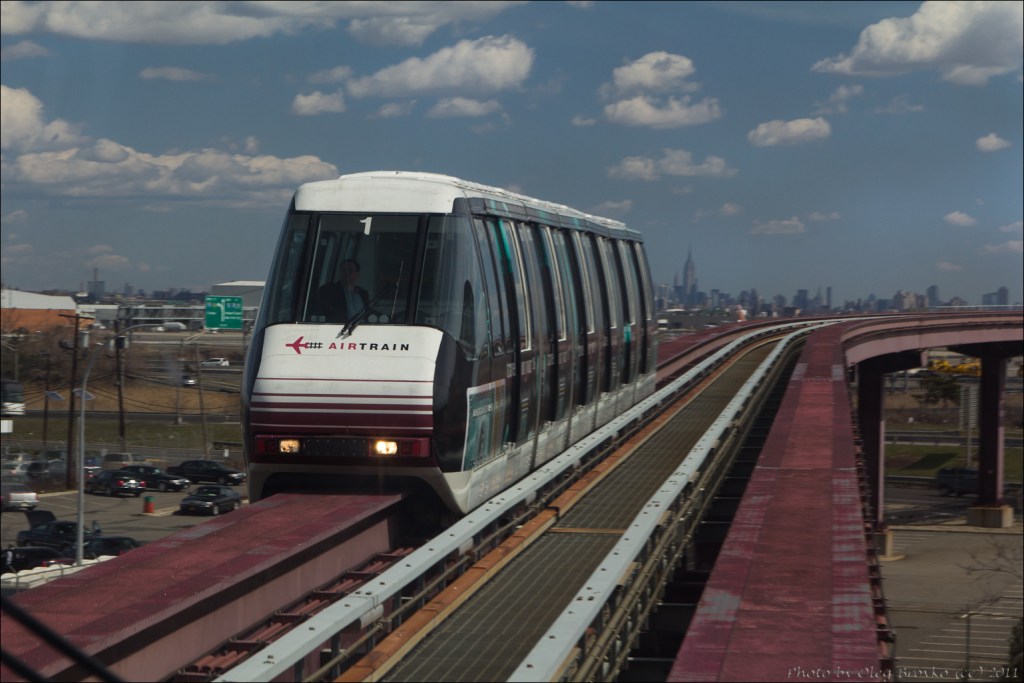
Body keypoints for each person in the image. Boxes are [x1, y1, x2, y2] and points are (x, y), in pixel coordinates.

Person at [318, 258, 370, 323]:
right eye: (343, 270)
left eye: (350, 270)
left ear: (357, 274)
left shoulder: (363, 293)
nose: (346, 273)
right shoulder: (329, 290)